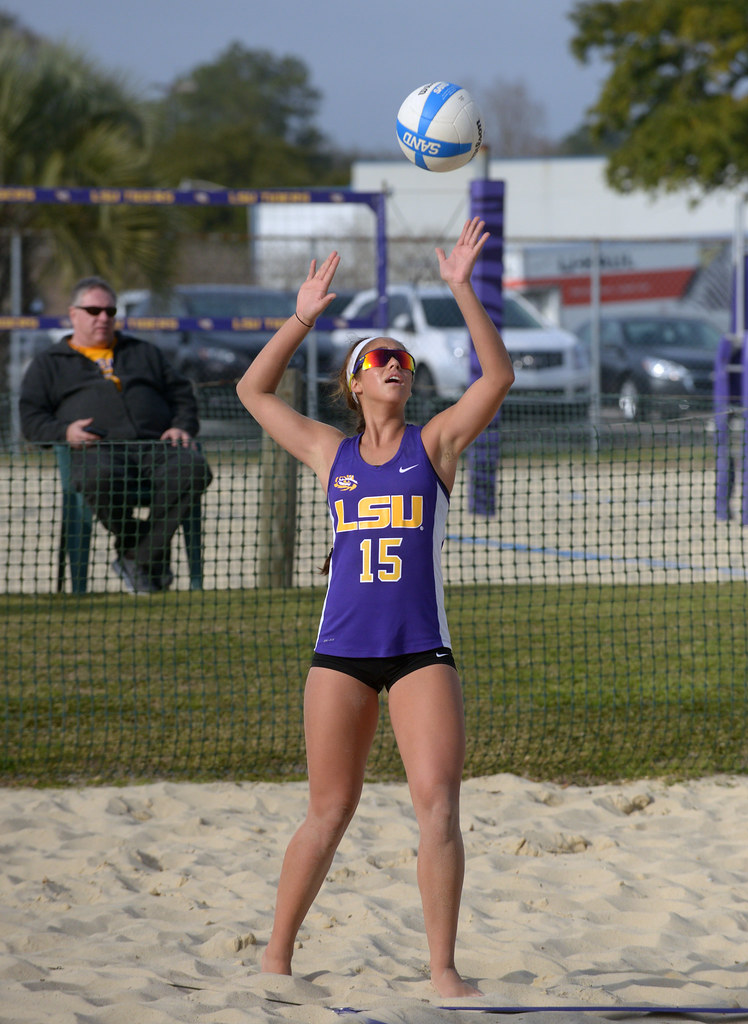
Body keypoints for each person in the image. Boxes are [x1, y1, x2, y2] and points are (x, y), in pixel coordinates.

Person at [236, 218, 514, 998]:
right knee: (328, 811)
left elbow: (495, 379)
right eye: (377, 360)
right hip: (341, 655)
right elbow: (252, 392)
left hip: (421, 648)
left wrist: (461, 288)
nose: (393, 365)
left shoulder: (436, 447)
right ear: (355, 384)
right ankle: (275, 959)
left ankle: (442, 970)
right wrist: (301, 318)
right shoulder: (332, 451)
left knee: (438, 805)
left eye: (401, 360)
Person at [19, 276, 212, 594]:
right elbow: (30, 418)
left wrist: (181, 425)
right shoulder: (49, 363)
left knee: (192, 468)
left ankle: (136, 557)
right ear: (74, 314)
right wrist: (64, 431)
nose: (103, 318)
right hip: (96, 449)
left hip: (156, 445)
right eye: (94, 310)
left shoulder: (143, 351)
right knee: (99, 477)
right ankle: (145, 554)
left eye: (110, 311)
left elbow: (182, 395)